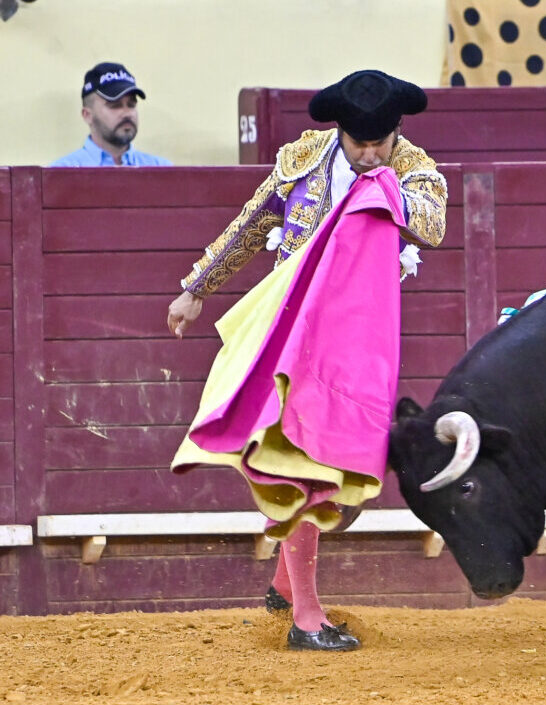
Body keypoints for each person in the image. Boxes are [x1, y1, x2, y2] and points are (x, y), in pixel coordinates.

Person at [167, 69, 447, 651]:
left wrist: (383, 187)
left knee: (345, 480)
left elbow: (434, 226)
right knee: (303, 462)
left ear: (397, 132)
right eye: (358, 143)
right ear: (339, 131)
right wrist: (197, 286)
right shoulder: (302, 161)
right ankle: (307, 618)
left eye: (380, 143)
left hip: (353, 345)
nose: (370, 154)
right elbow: (250, 225)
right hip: (292, 336)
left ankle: (283, 585)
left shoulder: (414, 171)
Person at [50, 62, 172, 167]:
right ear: (87, 115)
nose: (127, 113)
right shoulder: (62, 173)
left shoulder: (162, 170)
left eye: (131, 105)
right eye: (115, 106)